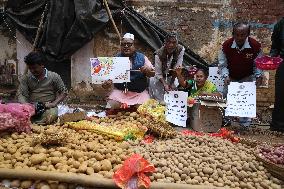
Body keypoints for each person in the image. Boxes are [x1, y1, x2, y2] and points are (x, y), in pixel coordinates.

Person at [218, 22, 263, 127]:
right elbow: (222, 64)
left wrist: (258, 76)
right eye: (237, 34)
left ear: (248, 34)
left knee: (246, 101)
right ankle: (226, 123)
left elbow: (258, 64)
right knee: (226, 100)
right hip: (231, 77)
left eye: (242, 35)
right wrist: (226, 76)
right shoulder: (226, 45)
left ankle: (244, 124)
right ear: (233, 34)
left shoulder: (255, 46)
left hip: (247, 77)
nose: (239, 37)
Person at [103, 33, 154, 109]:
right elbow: (106, 82)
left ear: (134, 46)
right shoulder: (115, 59)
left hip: (139, 94)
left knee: (145, 111)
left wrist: (148, 70)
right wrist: (106, 84)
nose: (126, 46)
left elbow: (153, 73)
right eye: (123, 44)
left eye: (129, 44)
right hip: (120, 93)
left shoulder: (142, 58)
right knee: (109, 108)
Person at [17, 51, 67, 124]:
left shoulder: (54, 76)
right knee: (16, 115)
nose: (32, 71)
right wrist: (25, 105)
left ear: (42, 65)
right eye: (30, 68)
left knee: (51, 115)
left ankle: (34, 123)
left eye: (34, 68)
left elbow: (64, 92)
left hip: (48, 107)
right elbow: (21, 94)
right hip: (31, 106)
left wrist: (54, 103)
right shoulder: (26, 78)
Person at [149, 32, 185, 103]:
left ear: (177, 43)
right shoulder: (158, 54)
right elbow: (158, 73)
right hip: (159, 78)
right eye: (168, 42)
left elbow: (177, 68)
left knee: (172, 98)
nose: (171, 45)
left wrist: (171, 83)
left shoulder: (181, 49)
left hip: (171, 76)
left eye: (174, 42)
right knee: (159, 100)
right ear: (165, 42)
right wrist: (165, 84)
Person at [270, 17, 284, 132]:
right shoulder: (280, 24)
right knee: (280, 93)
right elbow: (275, 46)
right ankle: (278, 125)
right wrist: (272, 58)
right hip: (283, 61)